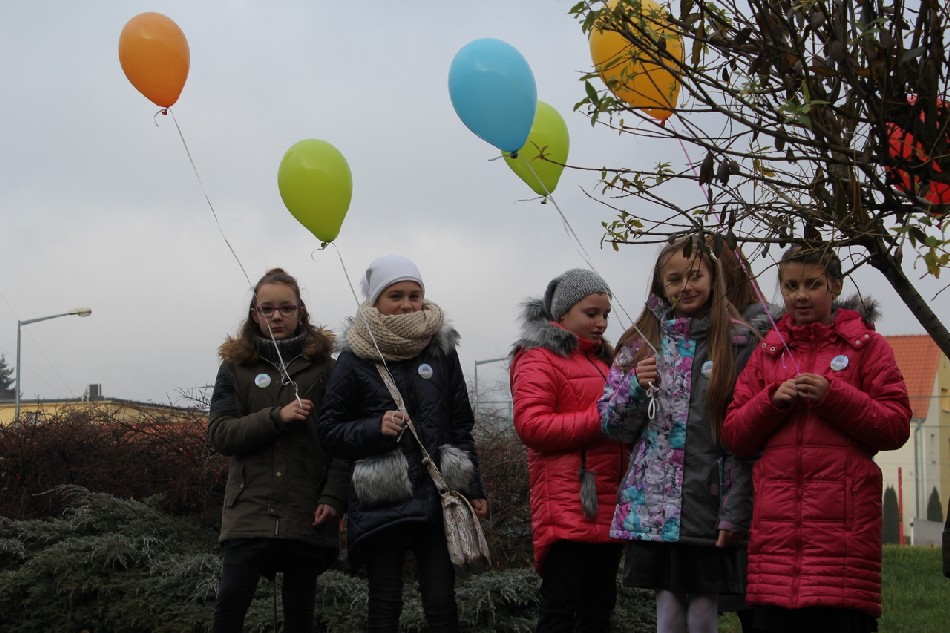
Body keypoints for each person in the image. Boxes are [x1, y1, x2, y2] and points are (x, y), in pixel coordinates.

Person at [722, 245, 911, 633]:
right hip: (776, 544)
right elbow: (735, 435)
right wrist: (770, 401)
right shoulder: (767, 352)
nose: (801, 295)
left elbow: (895, 426)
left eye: (813, 284)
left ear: (836, 286)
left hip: (843, 544)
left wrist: (834, 397)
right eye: (790, 286)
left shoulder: (868, 347)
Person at [316, 254, 488, 633]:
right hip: (382, 494)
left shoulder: (442, 351)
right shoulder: (354, 357)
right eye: (396, 296)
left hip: (437, 493)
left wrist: (473, 487)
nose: (408, 304)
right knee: (385, 603)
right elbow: (329, 431)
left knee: (442, 603)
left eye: (415, 295)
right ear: (376, 300)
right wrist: (374, 428)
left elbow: (460, 425)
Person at [598, 236, 758, 633]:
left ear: (714, 278)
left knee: (704, 612)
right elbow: (612, 425)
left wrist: (737, 507)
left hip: (711, 498)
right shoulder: (639, 343)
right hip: (656, 505)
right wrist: (636, 386)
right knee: (668, 611)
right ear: (660, 285)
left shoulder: (740, 341)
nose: (685, 286)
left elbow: (750, 430)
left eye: (695, 276)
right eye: (674, 279)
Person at [207, 268, 348, 633]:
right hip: (248, 511)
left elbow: (342, 441)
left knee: (300, 615)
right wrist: (276, 417)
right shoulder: (235, 367)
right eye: (267, 309)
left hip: (307, 509)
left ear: (301, 311)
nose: (276, 316)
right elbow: (220, 433)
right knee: (229, 607)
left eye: (286, 307)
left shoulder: (329, 369)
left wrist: (333, 496)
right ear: (254, 314)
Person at [509, 268, 629, 633]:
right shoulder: (537, 357)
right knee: (560, 610)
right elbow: (532, 426)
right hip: (569, 503)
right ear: (562, 313)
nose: (601, 323)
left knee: (598, 611)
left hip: (608, 502)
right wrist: (603, 418)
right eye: (591, 313)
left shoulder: (603, 360)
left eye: (605, 314)